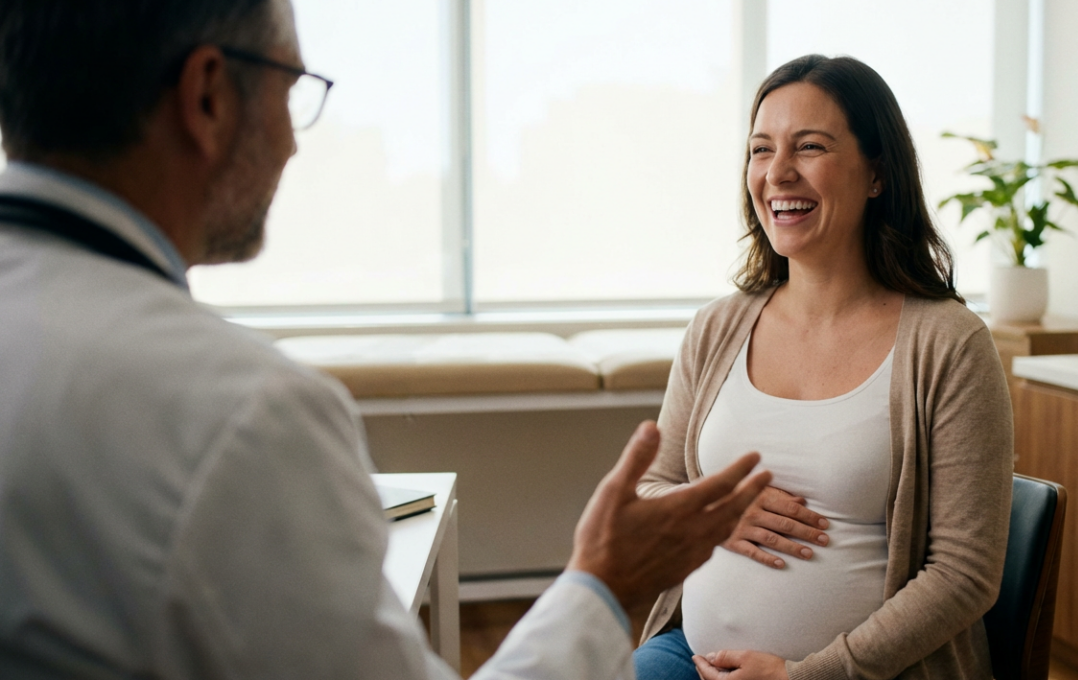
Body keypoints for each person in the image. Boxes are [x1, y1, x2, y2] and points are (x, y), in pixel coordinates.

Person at [0, 1, 772, 679]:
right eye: (291, 88)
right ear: (206, 95)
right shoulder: (242, 414)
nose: (296, 146)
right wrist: (603, 585)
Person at [631, 55, 1015, 680]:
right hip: (689, 658)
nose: (777, 173)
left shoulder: (950, 345)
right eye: (761, 150)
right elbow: (651, 490)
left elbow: (964, 575)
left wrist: (802, 677)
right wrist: (711, 511)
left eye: (809, 146)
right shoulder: (716, 328)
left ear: (876, 174)